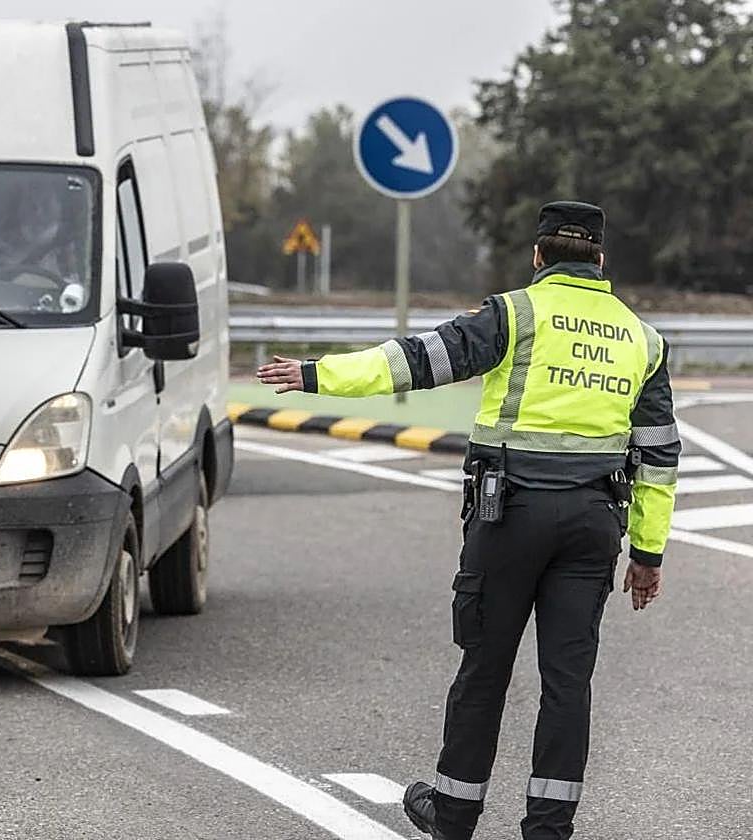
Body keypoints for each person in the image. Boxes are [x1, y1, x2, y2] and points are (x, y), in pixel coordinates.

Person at [257, 202, 677, 840]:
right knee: (568, 683)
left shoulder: (515, 314)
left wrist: (316, 374)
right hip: (594, 524)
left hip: (510, 517)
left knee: (485, 669)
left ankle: (453, 817)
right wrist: (647, 554)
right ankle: (548, 828)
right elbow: (659, 456)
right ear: (600, 259)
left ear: (538, 256)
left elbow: (415, 361)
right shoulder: (642, 339)